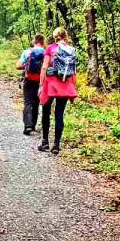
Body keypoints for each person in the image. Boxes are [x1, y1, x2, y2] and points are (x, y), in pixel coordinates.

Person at [37, 27, 78, 155]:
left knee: (46, 111)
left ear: (55, 36)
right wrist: (73, 87)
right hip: (65, 85)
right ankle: (56, 145)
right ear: (65, 36)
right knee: (59, 114)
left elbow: (44, 67)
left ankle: (45, 142)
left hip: (50, 84)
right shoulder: (71, 50)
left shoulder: (50, 48)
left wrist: (40, 85)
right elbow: (74, 71)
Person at [16, 33, 46, 135]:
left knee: (27, 102)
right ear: (43, 42)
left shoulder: (27, 52)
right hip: (41, 81)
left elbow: (18, 66)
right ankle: (33, 125)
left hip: (28, 79)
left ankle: (27, 126)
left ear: (34, 41)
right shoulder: (46, 53)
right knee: (36, 103)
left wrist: (26, 66)